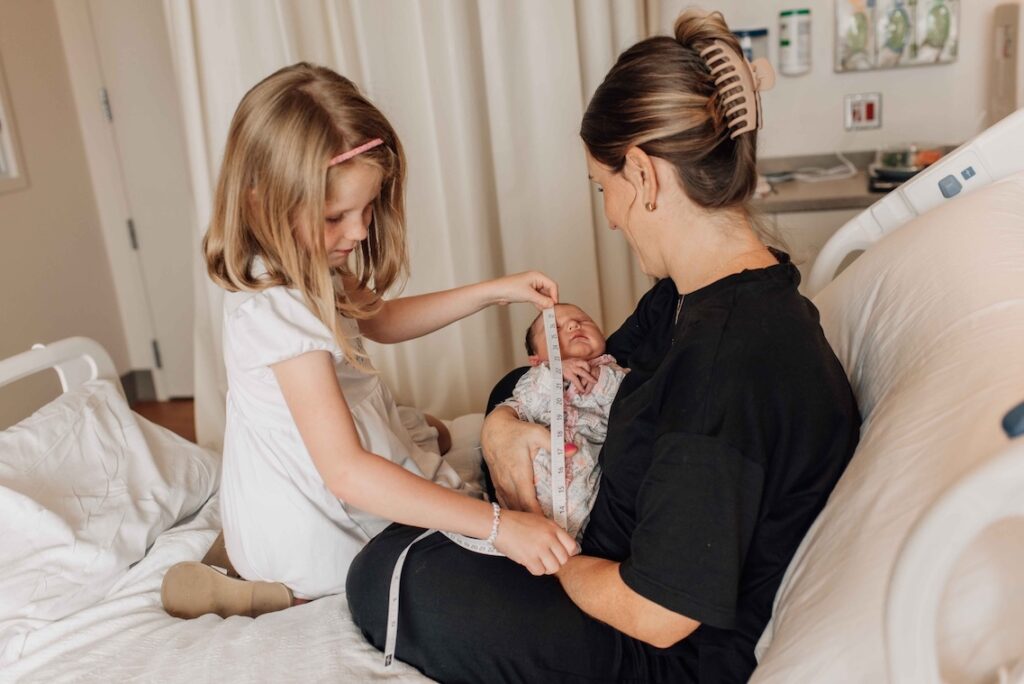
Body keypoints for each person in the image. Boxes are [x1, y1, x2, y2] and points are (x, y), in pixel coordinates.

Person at [346, 9, 861, 683]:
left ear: (644, 176)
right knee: (413, 538)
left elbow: (658, 612)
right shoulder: (692, 301)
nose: (611, 216)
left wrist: (546, 550)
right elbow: (574, 374)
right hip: (607, 549)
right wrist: (502, 429)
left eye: (604, 189)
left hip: (658, 647)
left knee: (385, 572)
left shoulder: (727, 366)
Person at [161, 62, 577, 620]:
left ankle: (243, 557)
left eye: (367, 209)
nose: (358, 232)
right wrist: (500, 528)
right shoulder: (277, 309)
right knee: (434, 506)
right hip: (306, 529)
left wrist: (494, 291)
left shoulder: (305, 255)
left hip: (322, 447)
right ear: (262, 201)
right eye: (337, 216)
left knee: (423, 429)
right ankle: (279, 587)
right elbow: (348, 473)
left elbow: (379, 319)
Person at [504, 303, 627, 540]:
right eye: (556, 327)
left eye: (584, 320)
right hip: (534, 474)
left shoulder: (613, 371)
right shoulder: (536, 377)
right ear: (536, 359)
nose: (573, 325)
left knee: (572, 536)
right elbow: (527, 401)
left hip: (586, 475)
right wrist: (555, 371)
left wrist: (599, 376)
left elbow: (624, 402)